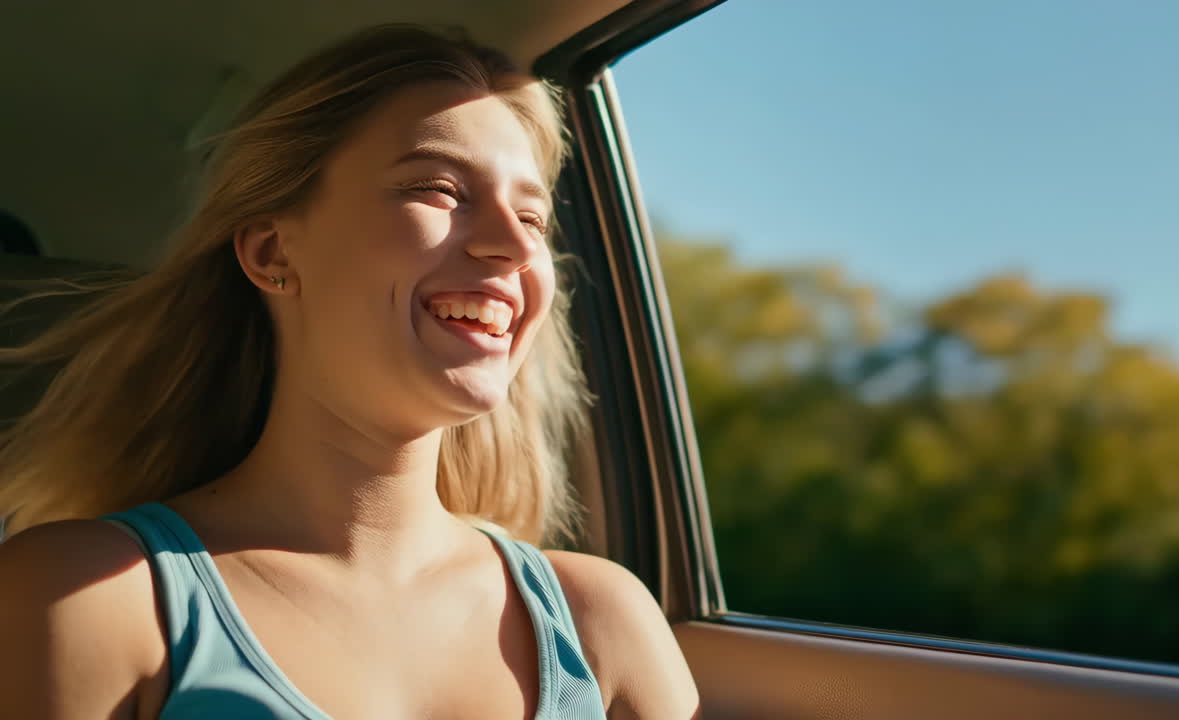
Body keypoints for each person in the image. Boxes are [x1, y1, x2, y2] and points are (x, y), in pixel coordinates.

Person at [0, 24, 700, 719]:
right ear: (273, 251)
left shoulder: (602, 620)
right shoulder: (79, 595)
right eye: (439, 189)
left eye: (533, 217)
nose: (514, 246)